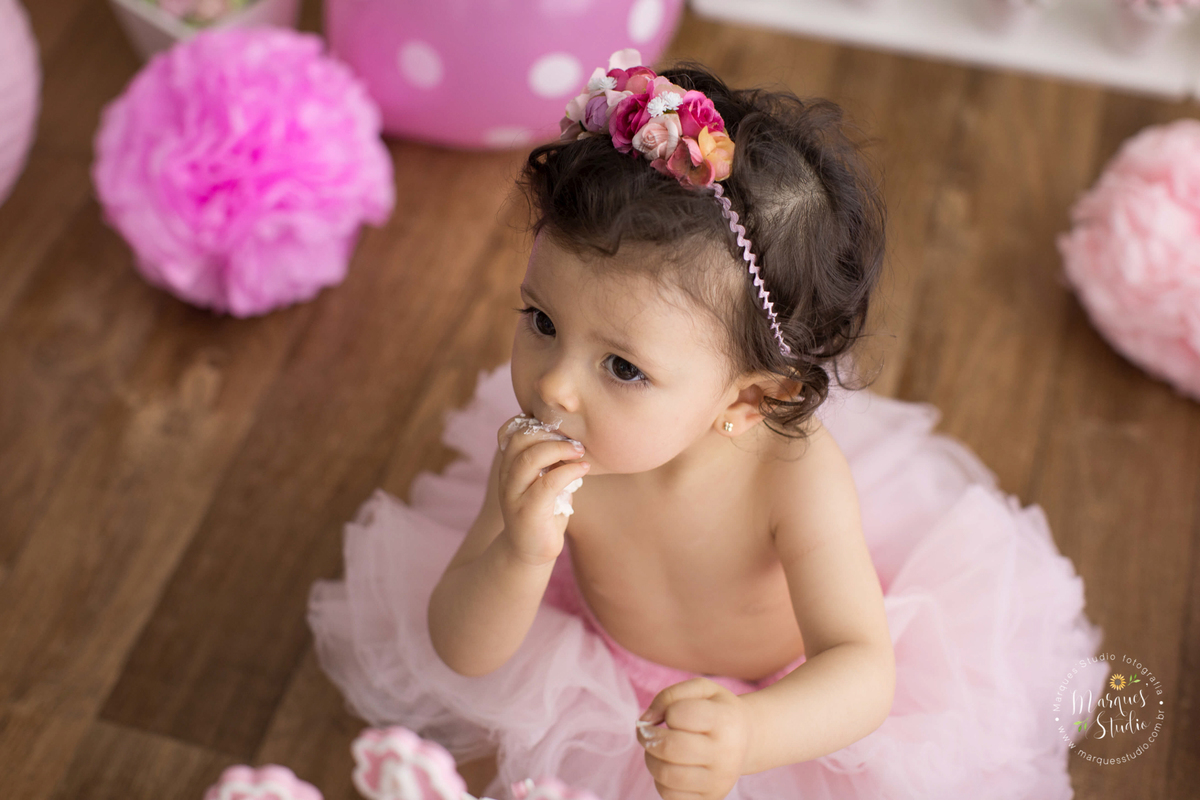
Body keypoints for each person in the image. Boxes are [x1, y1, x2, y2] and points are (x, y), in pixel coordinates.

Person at [307, 50, 1105, 800]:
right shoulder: (547, 455)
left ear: (745, 403)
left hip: (778, 698)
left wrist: (753, 733)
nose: (553, 385)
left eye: (622, 367)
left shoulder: (792, 479)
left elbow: (862, 666)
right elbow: (463, 650)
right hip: (601, 679)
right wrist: (519, 552)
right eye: (541, 319)